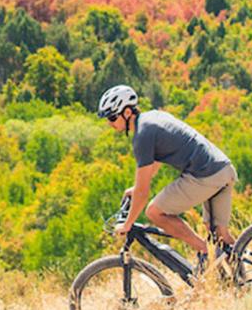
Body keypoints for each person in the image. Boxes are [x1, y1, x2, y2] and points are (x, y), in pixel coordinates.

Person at [98, 84, 237, 272]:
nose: (110, 123)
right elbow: (155, 162)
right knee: (219, 233)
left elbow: (143, 192)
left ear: (127, 112)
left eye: (112, 117)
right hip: (223, 169)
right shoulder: (152, 118)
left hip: (205, 176)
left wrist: (127, 224)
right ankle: (245, 275)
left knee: (154, 212)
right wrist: (135, 188)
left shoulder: (142, 136)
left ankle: (205, 251)